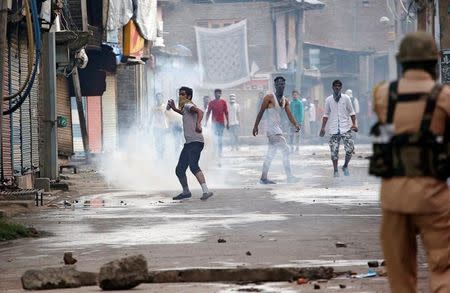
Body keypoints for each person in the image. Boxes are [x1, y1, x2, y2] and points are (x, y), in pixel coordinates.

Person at [372, 31, 450, 293]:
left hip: (393, 196)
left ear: (402, 63)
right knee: (443, 268)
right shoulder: (443, 97)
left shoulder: (382, 95)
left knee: (400, 279)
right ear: (434, 63)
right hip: (432, 194)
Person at [167, 86, 213, 201]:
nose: (180, 96)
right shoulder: (186, 108)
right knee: (180, 169)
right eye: (179, 94)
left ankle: (206, 191)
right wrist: (173, 108)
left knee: (193, 166)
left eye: (183, 94)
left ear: (188, 96)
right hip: (189, 143)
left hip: (196, 142)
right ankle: (186, 192)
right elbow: (183, 113)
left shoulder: (188, 105)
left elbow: (200, 112)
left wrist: (198, 124)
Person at [253, 76, 301, 184]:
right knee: (285, 150)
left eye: (283, 84)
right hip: (271, 130)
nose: (281, 86)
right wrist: (255, 126)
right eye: (279, 84)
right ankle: (289, 177)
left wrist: (296, 125)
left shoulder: (285, 100)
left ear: (285, 85)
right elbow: (260, 112)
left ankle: (263, 178)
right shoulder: (269, 97)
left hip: (277, 129)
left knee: (271, 154)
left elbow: (290, 115)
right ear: (275, 85)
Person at [319, 80, 357, 177]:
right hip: (333, 129)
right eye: (335, 86)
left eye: (339, 86)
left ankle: (345, 166)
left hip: (346, 128)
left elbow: (352, 112)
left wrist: (354, 124)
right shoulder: (328, 100)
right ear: (332, 87)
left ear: (341, 88)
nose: (337, 87)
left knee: (350, 149)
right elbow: (326, 114)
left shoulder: (346, 98)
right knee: (334, 151)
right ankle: (335, 170)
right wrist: (323, 128)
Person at [205, 89, 229, 157]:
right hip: (214, 124)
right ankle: (214, 152)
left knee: (220, 139)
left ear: (220, 94)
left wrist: (228, 122)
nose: (218, 94)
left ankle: (220, 153)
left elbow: (226, 112)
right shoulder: (211, 103)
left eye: (219, 93)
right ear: (214, 94)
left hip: (221, 123)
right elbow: (208, 113)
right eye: (216, 93)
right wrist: (206, 122)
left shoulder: (223, 102)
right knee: (215, 139)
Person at [149, 92, 168, 158]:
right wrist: (148, 126)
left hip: (164, 127)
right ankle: (159, 155)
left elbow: (168, 116)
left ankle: (162, 154)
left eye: (160, 97)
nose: (159, 99)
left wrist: (169, 125)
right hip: (156, 127)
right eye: (157, 97)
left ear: (162, 98)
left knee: (163, 141)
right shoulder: (153, 107)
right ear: (156, 99)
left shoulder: (165, 106)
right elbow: (151, 117)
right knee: (157, 141)